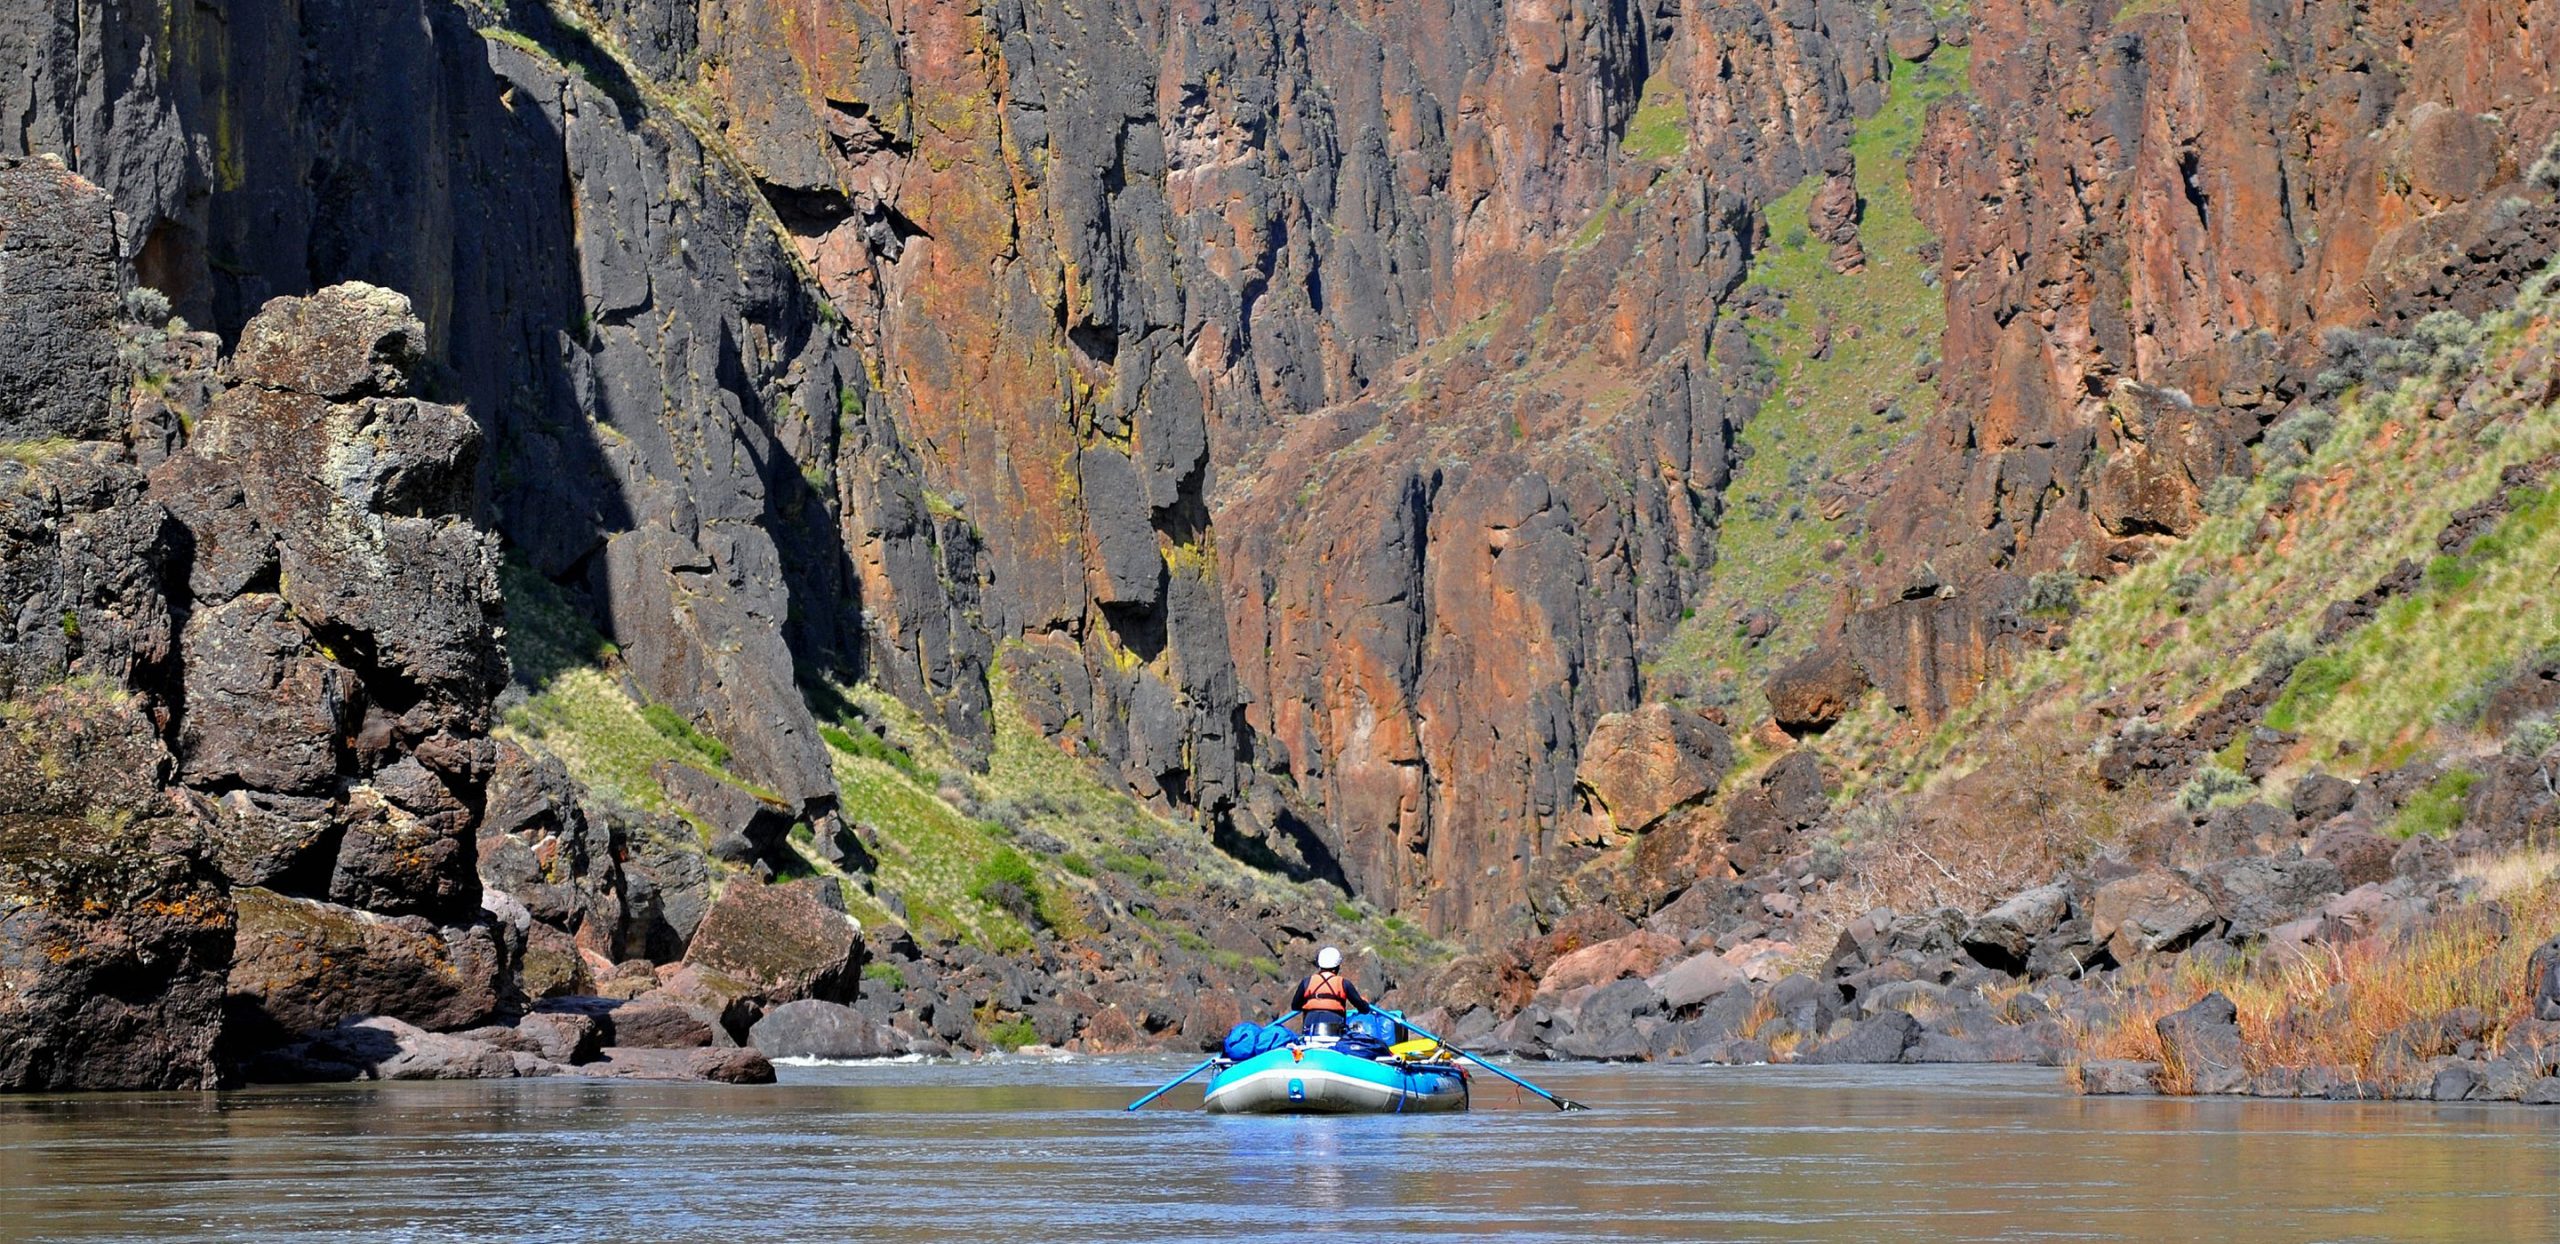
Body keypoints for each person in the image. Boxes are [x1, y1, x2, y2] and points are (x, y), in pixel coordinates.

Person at [1289, 946, 1373, 1038]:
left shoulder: (1306, 982)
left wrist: (1313, 1004)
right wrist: (1364, 1003)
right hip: (1335, 1029)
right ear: (1337, 966)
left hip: (1310, 1029)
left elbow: (1295, 1006)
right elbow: (1363, 1008)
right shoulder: (1344, 983)